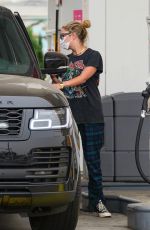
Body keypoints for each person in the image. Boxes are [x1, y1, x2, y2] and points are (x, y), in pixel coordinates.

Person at [52, 19, 111, 218]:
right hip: (70, 118)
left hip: (91, 116)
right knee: (68, 160)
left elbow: (84, 78)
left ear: (73, 35)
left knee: (92, 161)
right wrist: (54, 79)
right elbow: (59, 84)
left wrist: (62, 85)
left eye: (63, 35)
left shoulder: (93, 56)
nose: (62, 39)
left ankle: (99, 202)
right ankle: (68, 203)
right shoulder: (65, 60)